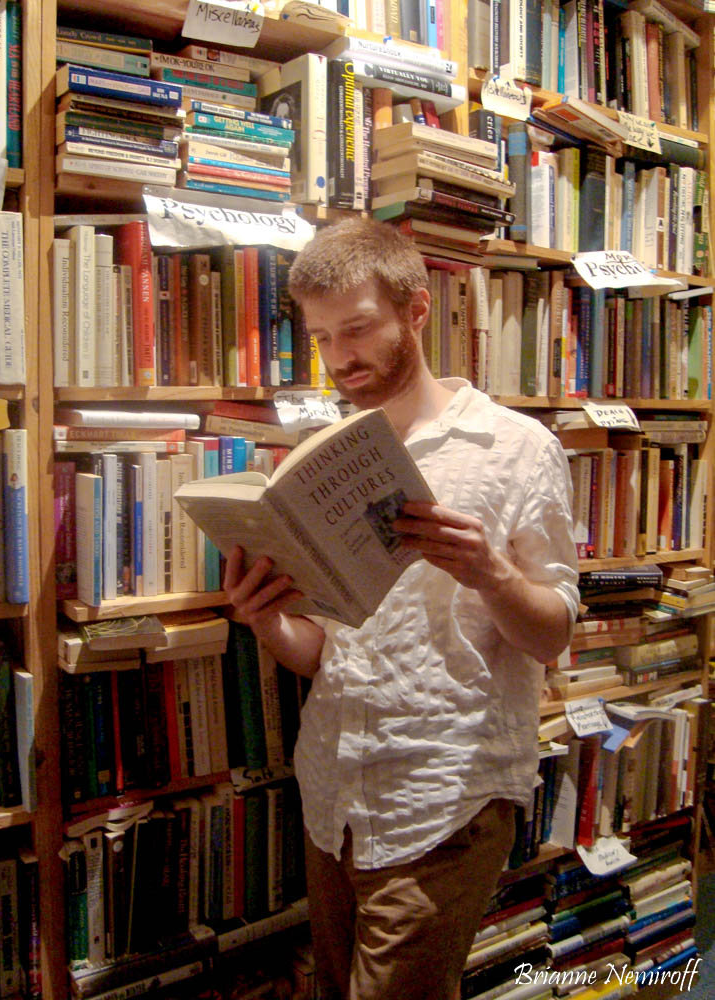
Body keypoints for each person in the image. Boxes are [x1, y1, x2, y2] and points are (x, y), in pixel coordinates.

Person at [223, 218, 580, 1000]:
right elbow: (323, 650)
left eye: (357, 329)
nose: (340, 358)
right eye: (321, 338)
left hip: (444, 795)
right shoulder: (332, 455)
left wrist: (488, 572)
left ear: (416, 311)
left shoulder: (515, 448)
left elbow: (552, 633)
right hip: (333, 789)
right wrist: (267, 620)